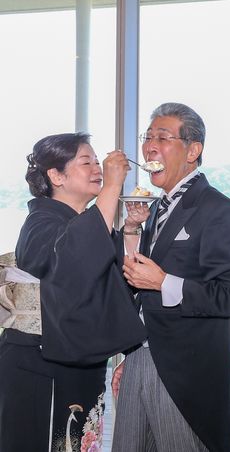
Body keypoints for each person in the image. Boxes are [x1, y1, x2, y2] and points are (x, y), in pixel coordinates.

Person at [112, 102, 230, 452]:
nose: (149, 147)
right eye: (147, 137)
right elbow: (136, 283)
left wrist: (164, 283)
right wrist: (131, 230)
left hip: (187, 376)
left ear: (193, 151)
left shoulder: (219, 209)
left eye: (163, 137)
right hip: (140, 360)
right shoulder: (155, 208)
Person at [0, 132, 146, 452]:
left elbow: (117, 283)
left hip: (80, 361)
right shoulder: (40, 222)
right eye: (86, 162)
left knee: (77, 443)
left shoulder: (83, 224)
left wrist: (131, 229)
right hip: (39, 365)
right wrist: (111, 188)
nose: (97, 168)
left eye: (97, 161)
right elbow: (75, 263)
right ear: (56, 176)